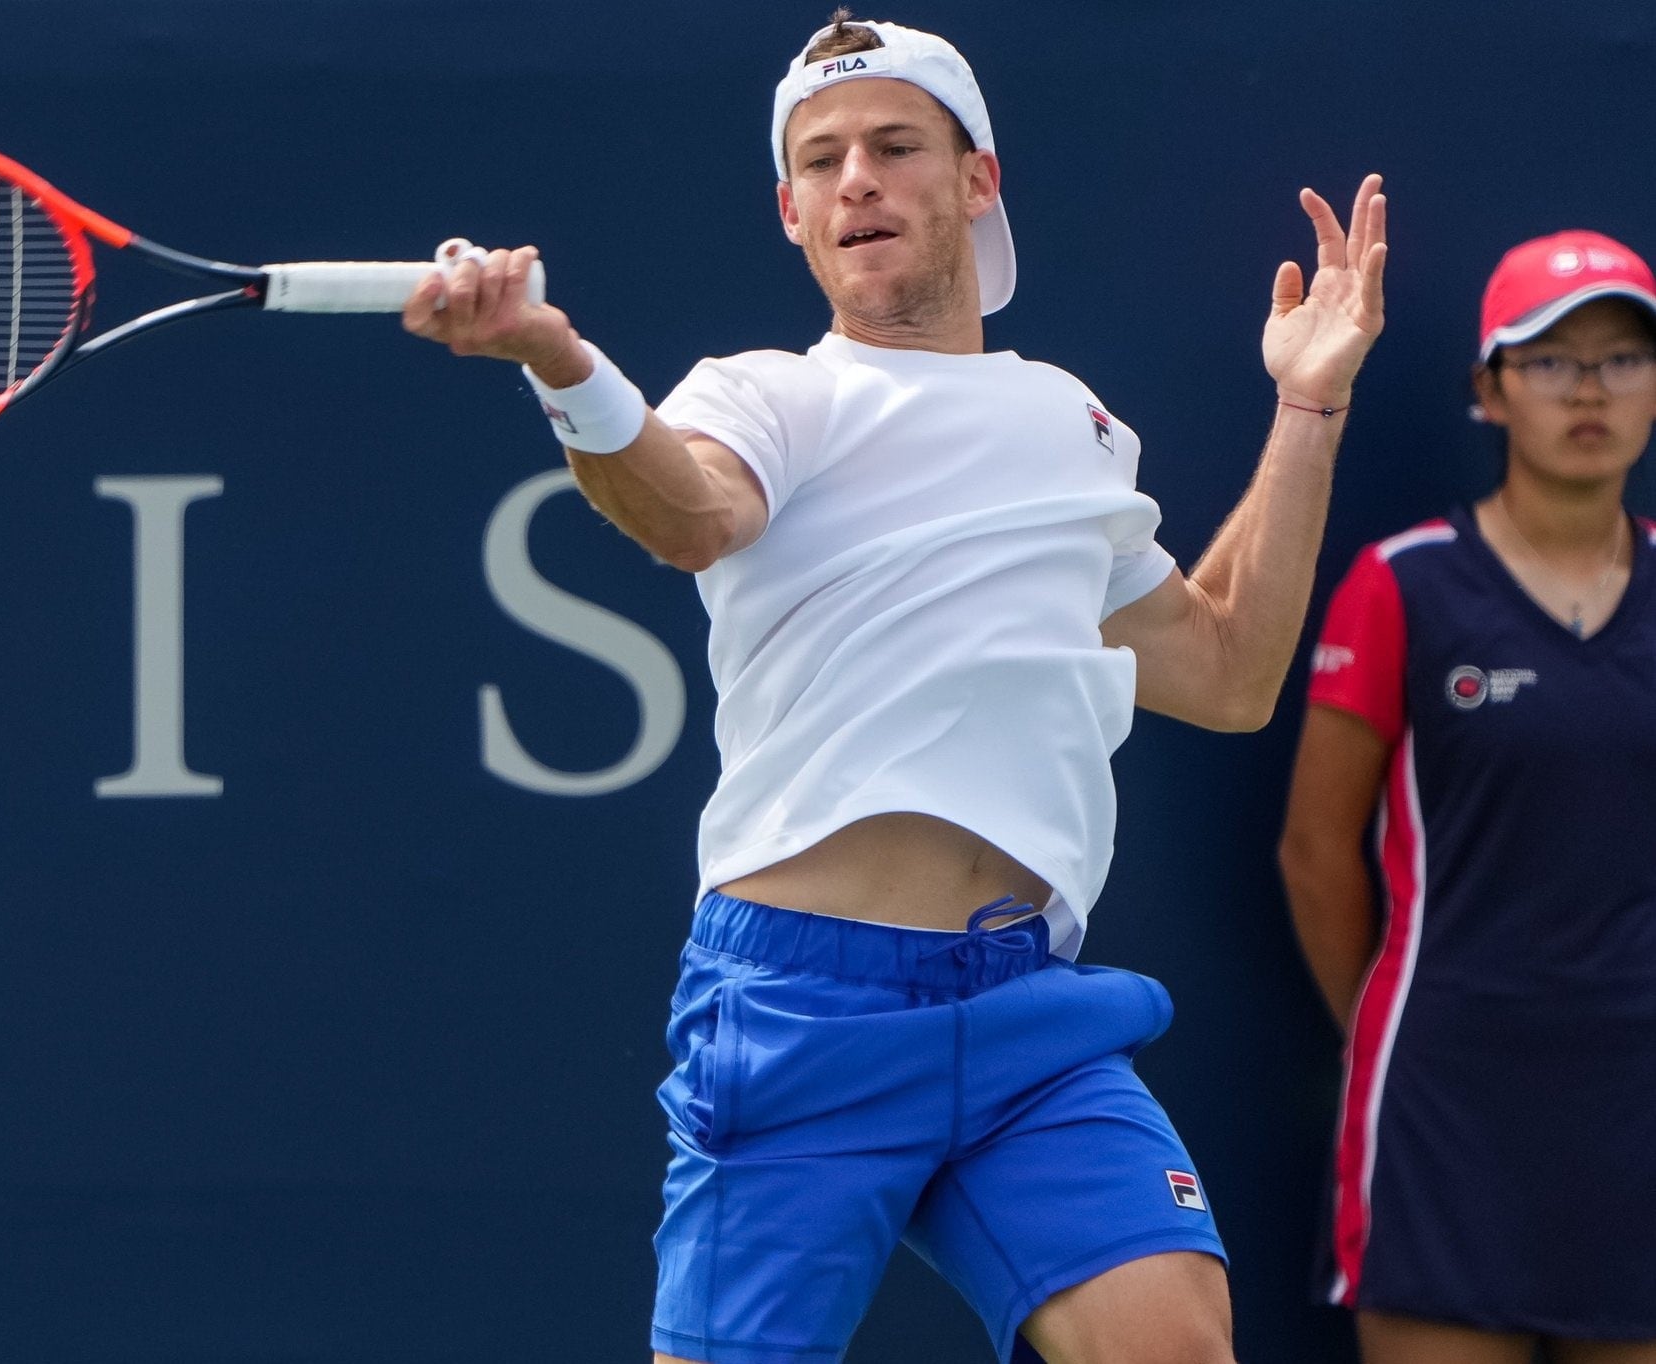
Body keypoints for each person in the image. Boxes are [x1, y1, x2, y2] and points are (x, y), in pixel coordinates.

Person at [406, 14, 1385, 1363]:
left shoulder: (1071, 425)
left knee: (1175, 1347)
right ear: (792, 214)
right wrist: (560, 363)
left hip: (1025, 1013)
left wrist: (1306, 408)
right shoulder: (763, 396)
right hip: (801, 1014)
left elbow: (1225, 672)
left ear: (975, 179)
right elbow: (688, 516)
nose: (855, 178)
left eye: (892, 145)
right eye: (821, 161)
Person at [1278, 231, 1656, 1364]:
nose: (1588, 388)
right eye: (1548, 360)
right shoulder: (1404, 584)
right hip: (1445, 1101)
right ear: (1490, 391)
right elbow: (1313, 848)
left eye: (1622, 358)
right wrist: (1405, 1029)